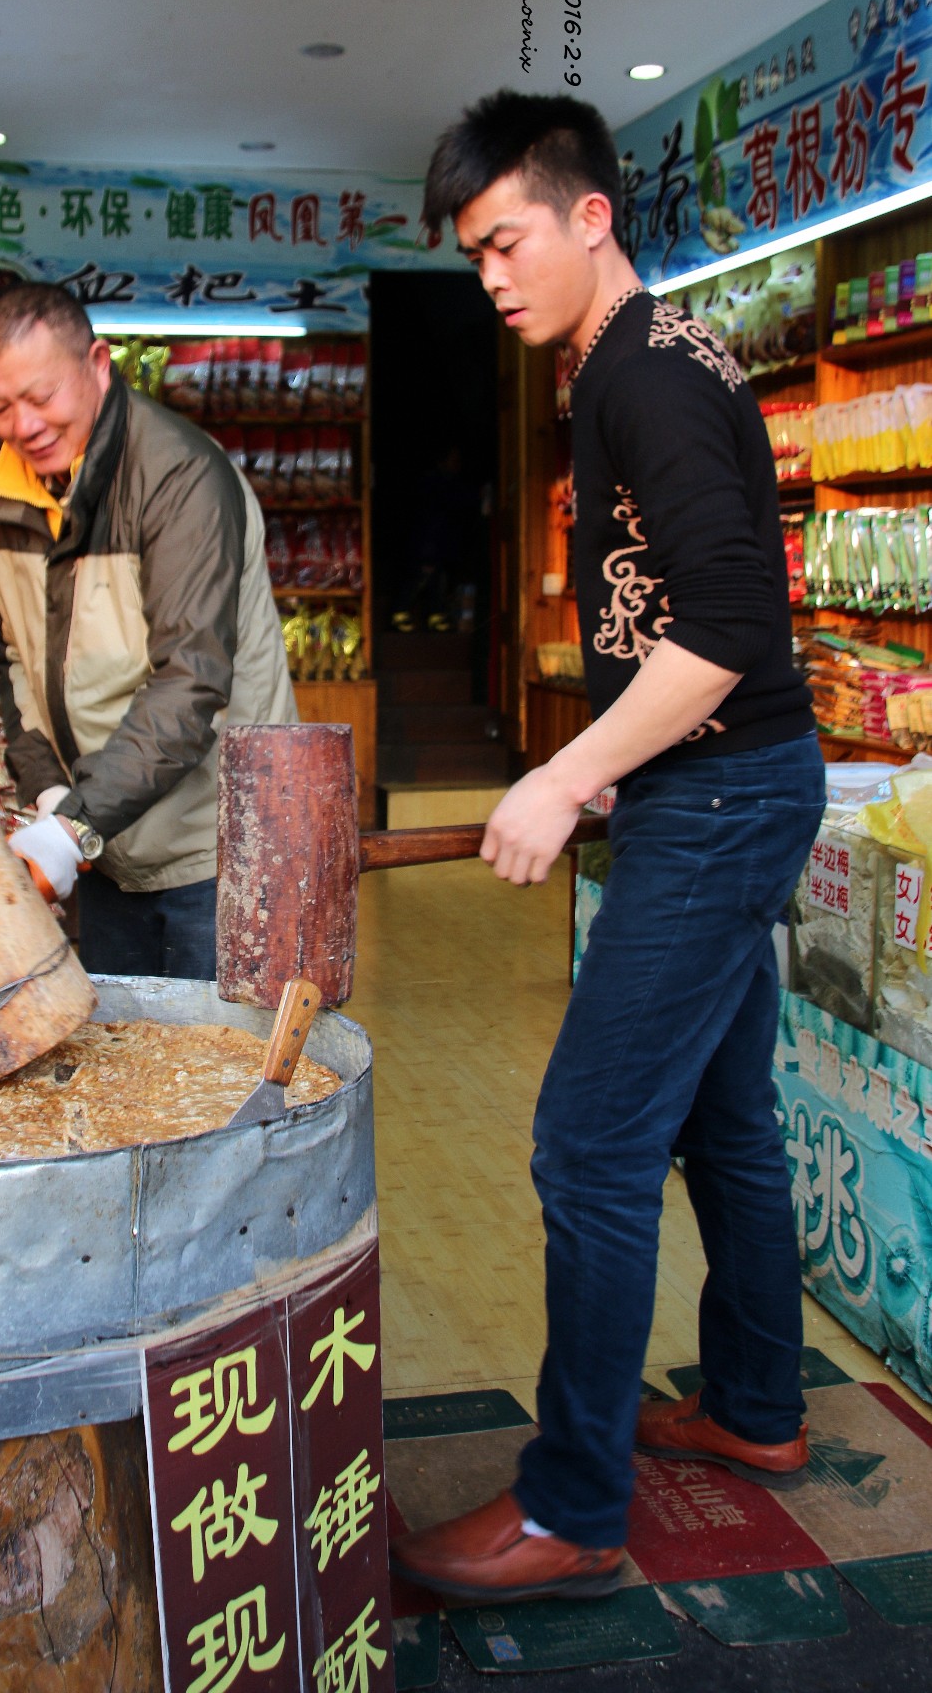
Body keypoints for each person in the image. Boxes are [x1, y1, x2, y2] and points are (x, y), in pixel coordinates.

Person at [391, 91, 824, 1604]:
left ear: (589, 218)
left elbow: (724, 631)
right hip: (722, 789)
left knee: (589, 1146)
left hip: (720, 798)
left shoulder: (647, 376)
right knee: (726, 1123)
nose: (492, 275)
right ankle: (759, 1412)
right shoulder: (617, 368)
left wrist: (555, 780)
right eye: (472, 257)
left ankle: (572, 1508)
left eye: (507, 240)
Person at [0, 280, 296, 980]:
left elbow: (190, 680)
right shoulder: (1, 495)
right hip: (106, 846)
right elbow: (10, 656)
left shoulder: (179, 477)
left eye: (42, 396)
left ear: (98, 364)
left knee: (221, 1075)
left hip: (215, 847)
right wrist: (50, 788)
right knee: (129, 1070)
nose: (23, 425)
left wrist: (74, 823)